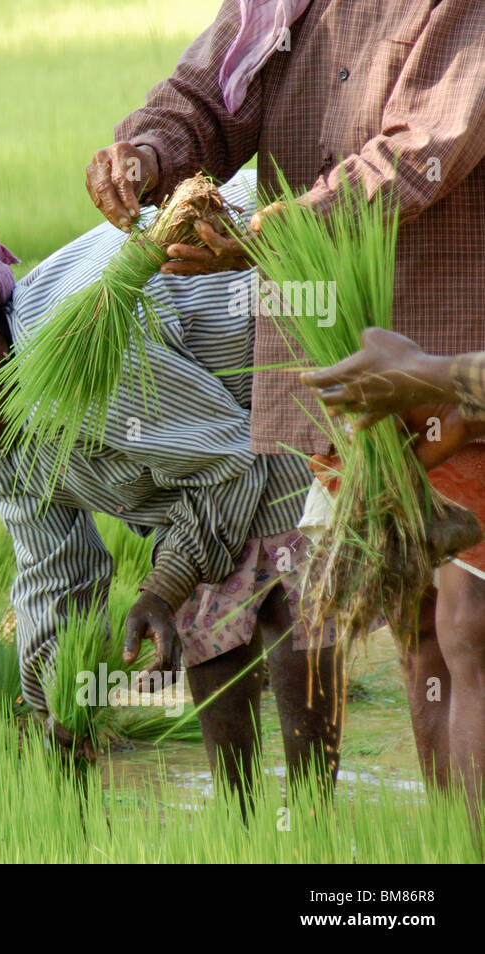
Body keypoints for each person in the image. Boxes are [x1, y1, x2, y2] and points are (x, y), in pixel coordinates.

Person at [89, 0, 485, 803]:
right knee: (416, 631)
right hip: (338, 360)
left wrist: (271, 232)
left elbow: (426, 150)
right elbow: (205, 98)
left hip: (451, 347)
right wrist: (144, 154)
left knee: (470, 625)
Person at [0, 171, 342, 808]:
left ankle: (312, 823)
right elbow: (53, 566)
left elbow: (230, 459)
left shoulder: (85, 366)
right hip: (204, 428)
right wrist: (62, 696)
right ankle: (241, 820)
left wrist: (163, 584)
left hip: (279, 323)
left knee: (283, 595)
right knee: (200, 614)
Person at [301, 329, 485, 803]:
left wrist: (430, 374)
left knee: (468, 630)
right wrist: (442, 387)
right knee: (419, 628)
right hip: (386, 387)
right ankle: (454, 835)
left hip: (434, 362)